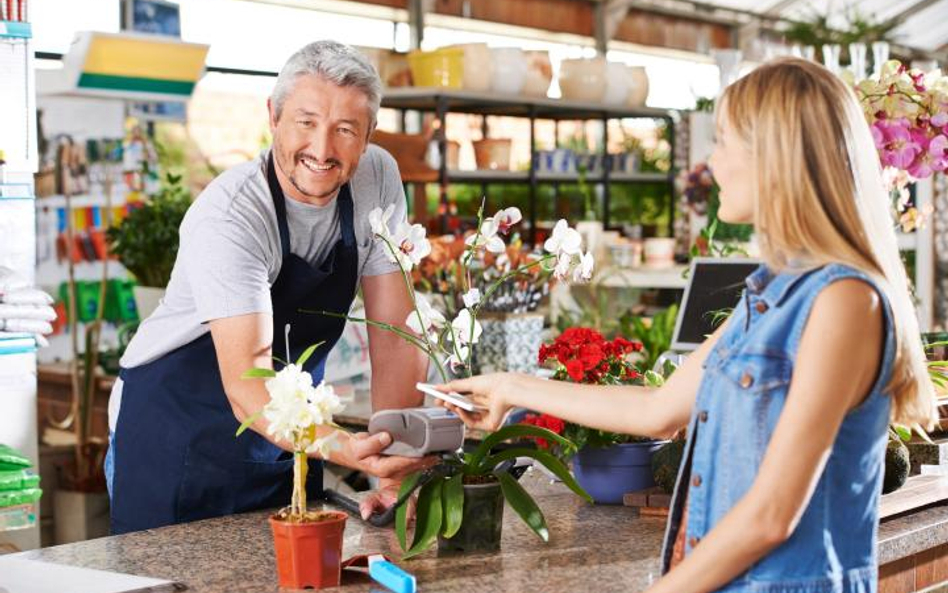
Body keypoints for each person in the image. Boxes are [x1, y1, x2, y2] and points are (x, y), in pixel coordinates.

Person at [440, 57, 938, 593]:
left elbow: (773, 513)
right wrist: (511, 389)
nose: (713, 163)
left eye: (724, 141)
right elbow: (658, 410)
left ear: (774, 156)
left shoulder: (844, 301)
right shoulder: (770, 293)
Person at [106, 40, 434, 534]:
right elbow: (247, 386)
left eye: (345, 129)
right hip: (177, 432)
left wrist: (394, 460)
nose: (321, 150)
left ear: (368, 135)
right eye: (306, 122)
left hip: (286, 437)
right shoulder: (232, 215)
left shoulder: (377, 178)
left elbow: (394, 331)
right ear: (273, 117)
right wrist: (345, 447)